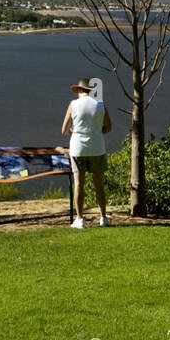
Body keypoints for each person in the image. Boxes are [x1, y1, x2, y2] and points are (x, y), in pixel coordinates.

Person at [61, 78, 112, 228]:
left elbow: (64, 130)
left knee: (79, 184)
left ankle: (80, 219)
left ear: (79, 90)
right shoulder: (100, 105)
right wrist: (96, 131)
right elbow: (108, 128)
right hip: (97, 148)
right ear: (89, 90)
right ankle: (103, 217)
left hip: (78, 149)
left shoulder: (73, 105)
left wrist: (74, 132)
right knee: (99, 185)